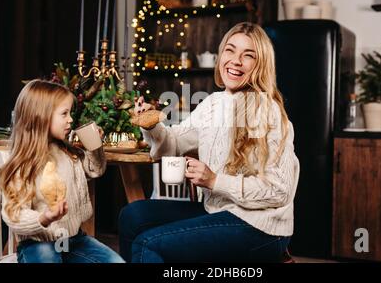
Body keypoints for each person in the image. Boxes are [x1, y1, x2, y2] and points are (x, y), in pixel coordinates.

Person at [119, 22, 300, 263]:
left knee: (148, 243)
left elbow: (279, 191)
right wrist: (152, 125)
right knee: (132, 216)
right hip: (217, 211)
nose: (235, 60)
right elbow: (173, 143)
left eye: (248, 56)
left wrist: (215, 180)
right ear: (221, 54)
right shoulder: (213, 103)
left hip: (260, 227)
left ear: (260, 65)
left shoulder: (268, 112)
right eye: (230, 50)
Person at [0, 79, 124, 263]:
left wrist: (95, 146)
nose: (71, 119)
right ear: (40, 116)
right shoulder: (24, 163)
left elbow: (96, 170)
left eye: (70, 113)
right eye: (64, 114)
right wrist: (44, 217)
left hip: (75, 240)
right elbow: (13, 214)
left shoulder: (68, 152)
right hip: (38, 243)